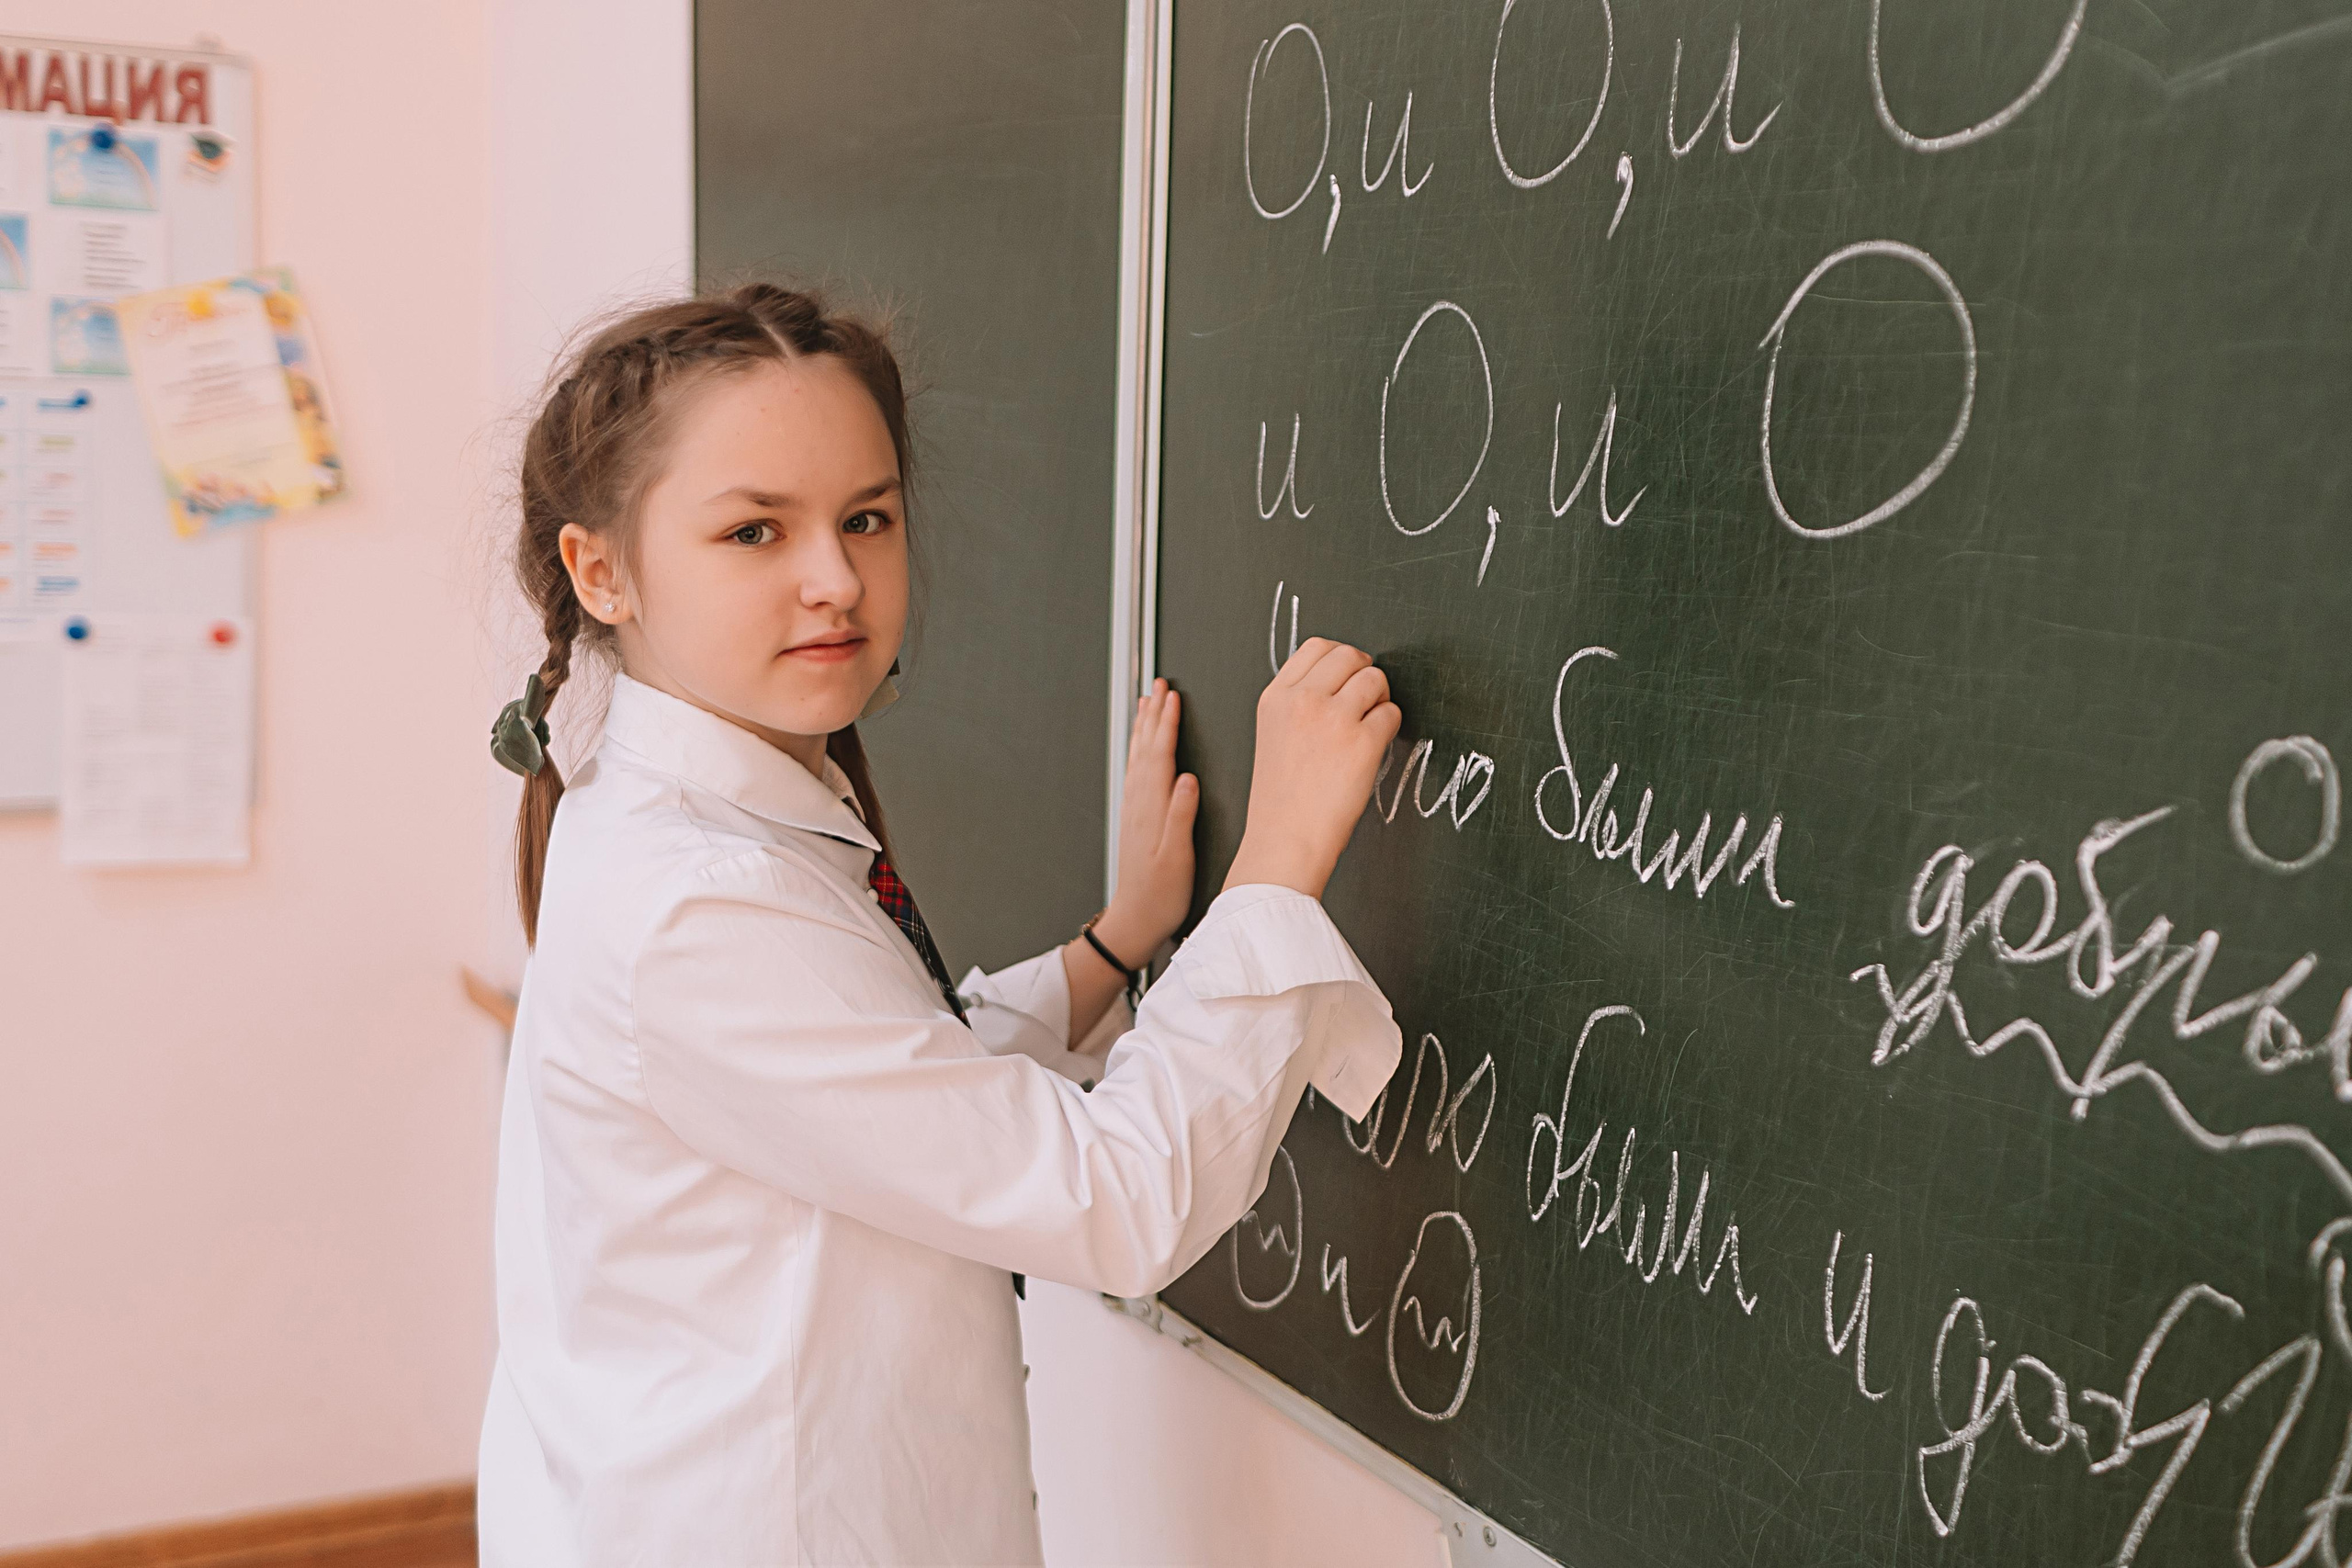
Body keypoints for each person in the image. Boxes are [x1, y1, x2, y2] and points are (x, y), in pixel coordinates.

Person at [476, 282, 1404, 1566]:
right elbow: (1116, 1199)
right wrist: (1280, 865)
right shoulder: (698, 901)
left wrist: (1115, 946)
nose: (834, 581)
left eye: (866, 518)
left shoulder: (684, 808)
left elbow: (894, 1082)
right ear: (603, 571)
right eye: (754, 532)